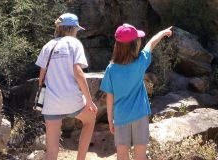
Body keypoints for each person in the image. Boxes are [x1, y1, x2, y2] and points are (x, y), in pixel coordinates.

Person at [100, 24, 173, 160]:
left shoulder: (111, 69)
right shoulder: (140, 62)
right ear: (134, 45)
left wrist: (110, 120)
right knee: (140, 155)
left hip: (120, 117)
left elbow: (110, 96)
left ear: (117, 45)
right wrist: (162, 33)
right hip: (140, 114)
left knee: (122, 155)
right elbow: (151, 44)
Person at [35, 13, 98, 160]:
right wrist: (89, 101)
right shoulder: (73, 43)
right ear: (72, 29)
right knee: (89, 121)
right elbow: (78, 72)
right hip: (72, 100)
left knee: (51, 151)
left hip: (50, 103)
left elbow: (41, 78)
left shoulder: (47, 46)